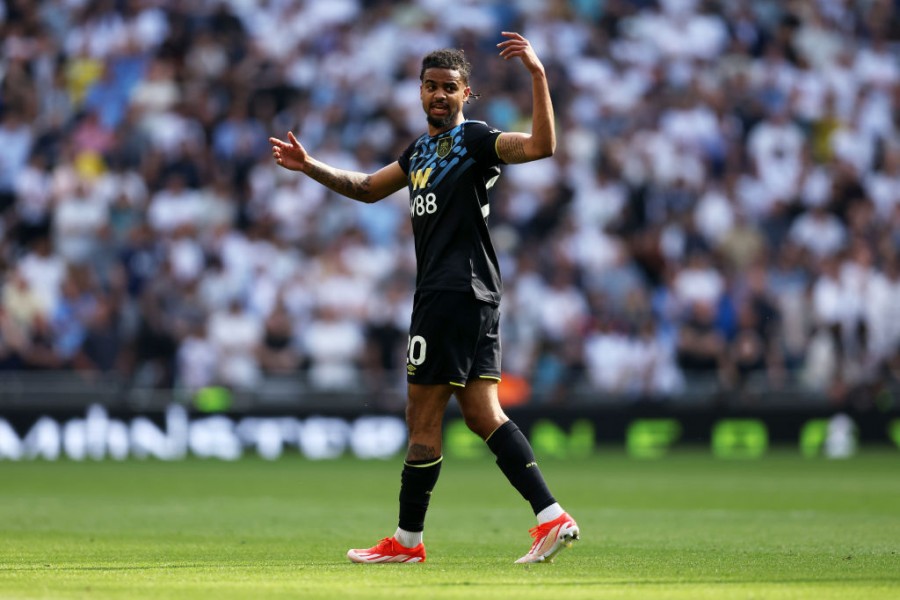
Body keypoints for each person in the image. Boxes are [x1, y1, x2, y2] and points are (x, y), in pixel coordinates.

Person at [269, 31, 579, 564]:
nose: (439, 95)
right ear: (419, 93)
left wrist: (537, 75)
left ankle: (408, 542)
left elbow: (541, 147)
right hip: (473, 294)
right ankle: (550, 516)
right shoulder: (419, 151)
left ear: (467, 94)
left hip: (450, 293)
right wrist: (311, 165)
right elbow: (367, 188)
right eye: (430, 86)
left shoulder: (477, 140)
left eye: (449, 87)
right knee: (484, 414)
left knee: (423, 419)